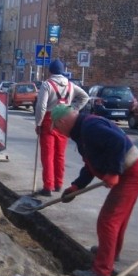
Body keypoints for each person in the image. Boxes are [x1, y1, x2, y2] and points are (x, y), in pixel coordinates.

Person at [52, 103, 138, 276]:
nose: (58, 131)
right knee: (118, 218)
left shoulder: (90, 127)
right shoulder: (82, 131)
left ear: (62, 121)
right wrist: (77, 186)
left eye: (56, 127)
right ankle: (112, 252)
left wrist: (113, 172)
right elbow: (91, 164)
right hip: (132, 170)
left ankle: (101, 271)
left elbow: (118, 142)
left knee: (108, 220)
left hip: (132, 172)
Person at [33, 59, 89, 196]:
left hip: (49, 121)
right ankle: (58, 184)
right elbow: (85, 97)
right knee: (60, 155)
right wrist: (73, 110)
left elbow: (41, 106)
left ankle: (48, 186)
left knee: (48, 156)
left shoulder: (47, 85)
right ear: (62, 71)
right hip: (65, 121)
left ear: (50, 71)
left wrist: (38, 123)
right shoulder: (71, 85)